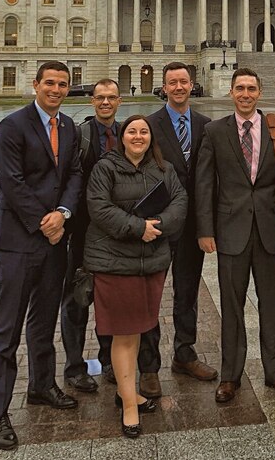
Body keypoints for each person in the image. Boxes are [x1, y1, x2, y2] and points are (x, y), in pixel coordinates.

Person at [196, 68, 275, 403]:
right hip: (231, 230)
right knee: (231, 307)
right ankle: (230, 376)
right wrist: (205, 229)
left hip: (272, 230)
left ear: (260, 92)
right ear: (231, 92)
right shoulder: (215, 131)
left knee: (272, 306)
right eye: (240, 89)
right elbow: (204, 183)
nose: (245, 94)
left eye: (251, 89)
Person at [0, 61, 82, 451]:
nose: (56, 90)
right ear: (36, 85)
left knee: (44, 322)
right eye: (50, 83)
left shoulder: (71, 127)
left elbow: (75, 174)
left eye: (62, 84)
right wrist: (43, 220)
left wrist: (62, 215)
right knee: (6, 329)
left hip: (55, 239)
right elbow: (11, 181)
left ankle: (42, 385)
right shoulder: (12, 125)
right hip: (19, 239)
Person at [84, 115, 187, 438]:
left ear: (150, 137)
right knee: (123, 333)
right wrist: (138, 228)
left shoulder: (163, 168)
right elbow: (98, 207)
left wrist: (156, 225)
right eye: (132, 131)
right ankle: (129, 404)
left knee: (140, 327)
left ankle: (128, 392)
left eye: (143, 131)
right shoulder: (106, 167)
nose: (138, 136)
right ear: (121, 136)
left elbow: (180, 201)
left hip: (150, 261)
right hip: (115, 262)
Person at [146, 62, 216, 397]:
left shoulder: (206, 125)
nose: (178, 87)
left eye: (184, 82)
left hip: (191, 227)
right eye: (172, 82)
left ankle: (184, 353)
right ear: (164, 87)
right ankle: (148, 365)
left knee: (186, 294)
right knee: (151, 295)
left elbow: (211, 178)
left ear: (192, 85)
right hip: (158, 224)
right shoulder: (148, 125)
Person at [61, 78, 124, 391]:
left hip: (117, 231)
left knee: (110, 299)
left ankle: (110, 360)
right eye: (100, 98)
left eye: (111, 98)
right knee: (76, 296)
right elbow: (70, 179)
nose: (105, 103)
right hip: (84, 231)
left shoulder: (127, 133)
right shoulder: (80, 135)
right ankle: (74, 366)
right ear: (92, 100)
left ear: (119, 101)